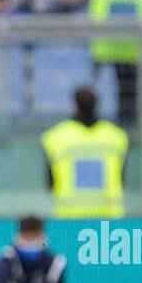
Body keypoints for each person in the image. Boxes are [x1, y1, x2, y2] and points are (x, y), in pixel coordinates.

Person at [41, 88, 129, 218]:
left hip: (68, 218)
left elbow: (50, 181)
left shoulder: (55, 137)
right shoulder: (117, 137)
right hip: (108, 219)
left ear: (75, 106)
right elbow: (122, 177)